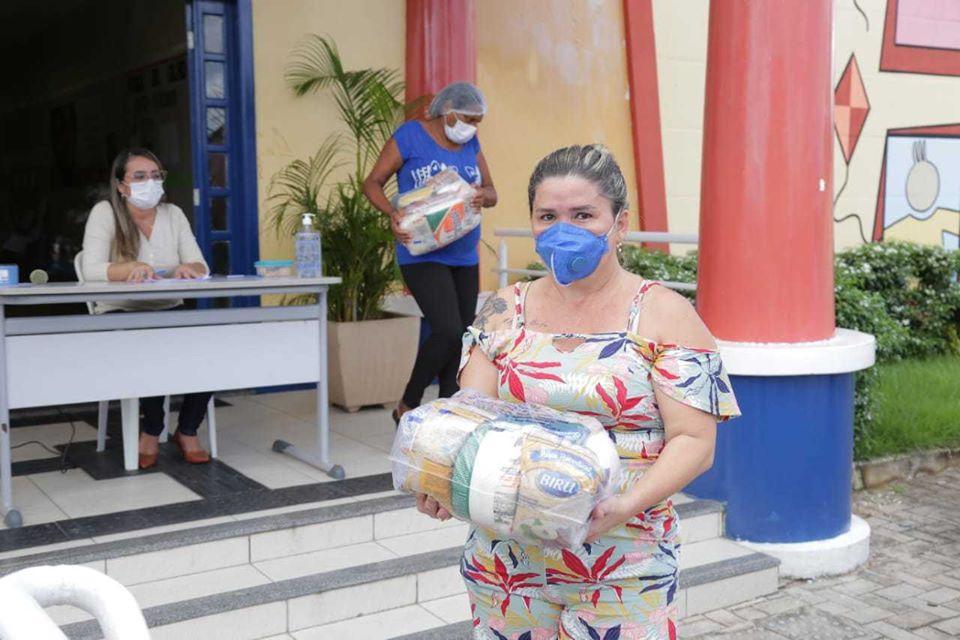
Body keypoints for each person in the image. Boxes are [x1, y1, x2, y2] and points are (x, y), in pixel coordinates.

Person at [417, 145, 740, 638]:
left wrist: (622, 508)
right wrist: (441, 478)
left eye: (583, 214)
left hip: (623, 562)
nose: (563, 229)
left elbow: (695, 443)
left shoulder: (665, 314)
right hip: (506, 562)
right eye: (548, 215)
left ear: (620, 223)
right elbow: (469, 419)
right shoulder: (504, 310)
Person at [363, 81, 497, 425]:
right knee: (447, 330)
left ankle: (445, 415)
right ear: (448, 112)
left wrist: (484, 195)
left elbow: (492, 192)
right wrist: (391, 214)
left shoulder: (472, 143)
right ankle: (408, 401)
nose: (473, 127)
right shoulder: (410, 136)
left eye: (478, 121)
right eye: (469, 118)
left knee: (462, 336)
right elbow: (372, 182)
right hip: (421, 253)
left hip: (464, 253)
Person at [81, 148, 212, 470]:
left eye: (155, 176)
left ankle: (187, 429)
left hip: (168, 306)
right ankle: (151, 430)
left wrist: (188, 269)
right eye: (139, 177)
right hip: (119, 310)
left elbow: (199, 263)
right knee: (152, 349)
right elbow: (91, 268)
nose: (149, 183)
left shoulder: (173, 214)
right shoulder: (106, 212)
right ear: (121, 185)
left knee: (213, 350)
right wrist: (128, 269)